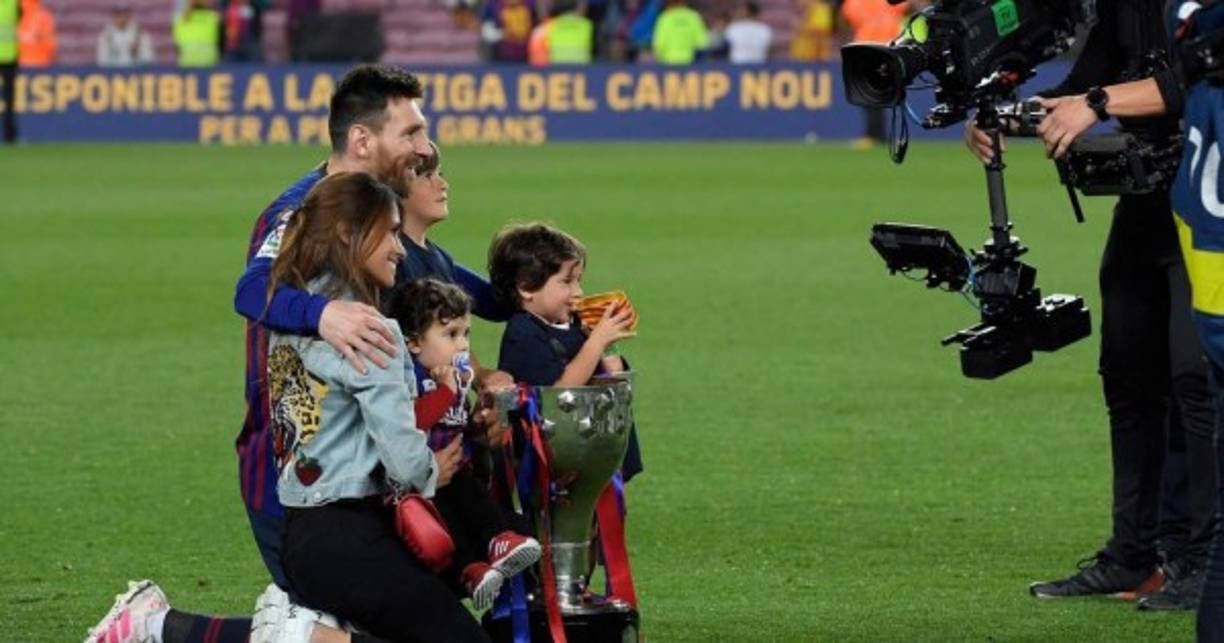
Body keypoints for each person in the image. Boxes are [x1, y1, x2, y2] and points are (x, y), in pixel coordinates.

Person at [964, 0, 1217, 612]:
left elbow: (1195, 79)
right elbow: (1091, 77)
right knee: (1127, 374)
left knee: (1196, 383)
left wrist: (1097, 104)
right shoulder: (1126, 6)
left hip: (1206, 203)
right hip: (1146, 199)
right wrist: (1012, 115)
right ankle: (1134, 553)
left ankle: (1205, 563)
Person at [265, 171, 487, 642]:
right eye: (389, 230)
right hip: (353, 532)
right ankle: (302, 636)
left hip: (300, 534)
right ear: (348, 233)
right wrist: (431, 470)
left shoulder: (294, 312)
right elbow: (405, 459)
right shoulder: (372, 329)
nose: (400, 247)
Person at [384, 278, 542, 610]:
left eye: (466, 333)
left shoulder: (453, 375)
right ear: (413, 342)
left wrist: (476, 427)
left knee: (474, 499)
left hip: (455, 468)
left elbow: (452, 422)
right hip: (419, 479)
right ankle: (468, 570)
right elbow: (411, 422)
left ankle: (498, 541)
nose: (462, 345)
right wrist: (444, 390)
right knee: (446, 523)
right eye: (451, 334)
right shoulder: (410, 376)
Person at [841, 0, 907, 148]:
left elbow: (852, 19)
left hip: (866, 47)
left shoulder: (854, 2)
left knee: (869, 93)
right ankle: (880, 135)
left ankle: (873, 135)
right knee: (880, 93)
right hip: (890, 47)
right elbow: (903, 8)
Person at [650, 0, 707, 64]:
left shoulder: (665, 17)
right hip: (689, 64)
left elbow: (658, 45)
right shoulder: (693, 17)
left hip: (668, 65)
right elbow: (702, 44)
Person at [173, 0, 221, 67]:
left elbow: (176, 46)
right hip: (208, 64)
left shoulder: (179, 19)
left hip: (188, 65)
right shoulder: (213, 18)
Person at [0, 0, 18, 143]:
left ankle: (10, 136)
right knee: (9, 100)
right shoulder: (13, 3)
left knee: (9, 100)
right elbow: (20, 17)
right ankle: (10, 136)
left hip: (9, 57)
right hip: (9, 57)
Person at [17, 0, 54, 67]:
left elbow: (50, 45)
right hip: (19, 65)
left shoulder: (43, 18)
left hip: (38, 65)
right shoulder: (14, 18)